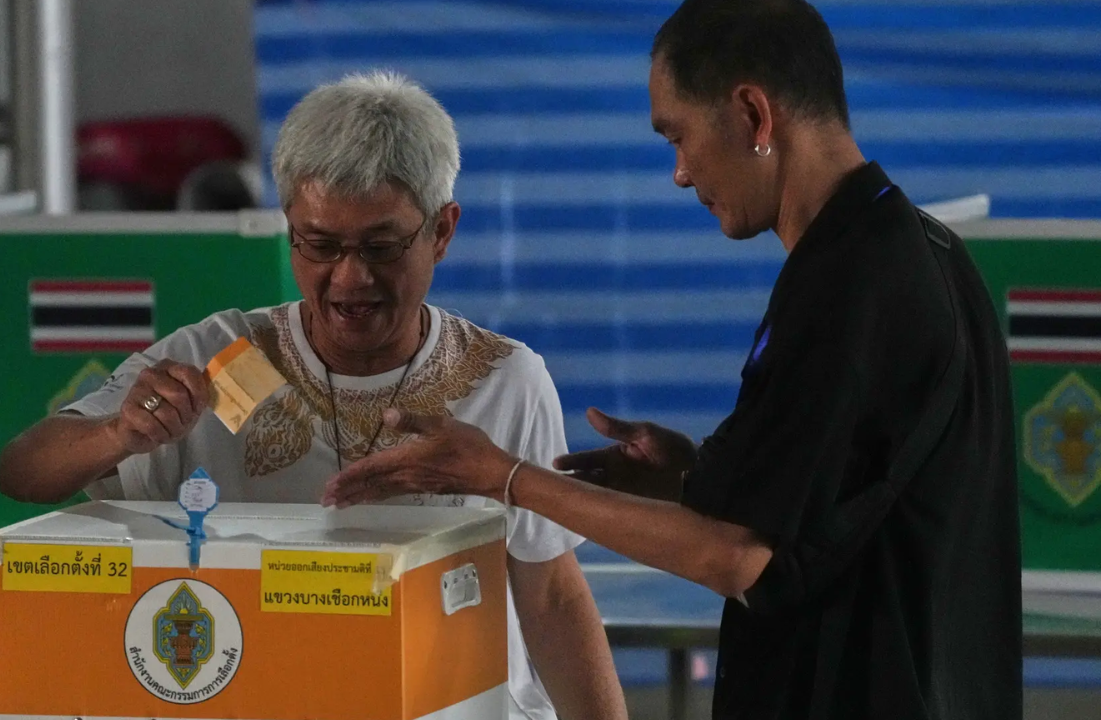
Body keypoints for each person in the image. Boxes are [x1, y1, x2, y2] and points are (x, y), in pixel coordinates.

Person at [321, 2, 1021, 719]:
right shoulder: (923, 253)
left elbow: (739, 557)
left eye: (678, 137)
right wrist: (691, 477)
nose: (681, 174)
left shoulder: (849, 285)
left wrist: (503, 478)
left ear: (754, 115)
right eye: (316, 243)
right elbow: (836, 505)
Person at [0, 71, 627, 720]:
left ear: (441, 232)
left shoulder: (504, 381)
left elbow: (549, 592)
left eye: (382, 246)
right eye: (321, 245)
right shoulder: (217, 359)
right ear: (290, 229)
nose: (350, 279)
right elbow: (21, 472)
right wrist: (116, 437)